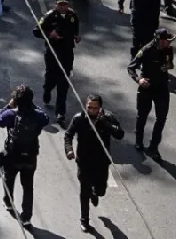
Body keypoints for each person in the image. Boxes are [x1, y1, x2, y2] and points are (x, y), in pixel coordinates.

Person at [64, 94, 125, 232]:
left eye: (95, 108)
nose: (91, 110)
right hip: (84, 162)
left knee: (101, 191)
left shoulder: (108, 117)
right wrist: (69, 150)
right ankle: (84, 220)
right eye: (89, 107)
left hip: (101, 162)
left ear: (100, 108)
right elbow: (68, 134)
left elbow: (119, 134)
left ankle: (95, 191)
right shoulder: (79, 118)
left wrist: (105, 123)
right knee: (83, 191)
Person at [0, 85, 50, 230]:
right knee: (28, 186)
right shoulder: (38, 115)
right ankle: (26, 217)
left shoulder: (11, 114)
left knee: (8, 178)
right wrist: (33, 105)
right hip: (30, 157)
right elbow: (46, 118)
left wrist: (8, 105)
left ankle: (8, 201)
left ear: (16, 100)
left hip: (12, 155)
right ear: (31, 100)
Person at [128, 27, 174, 162]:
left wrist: (169, 65)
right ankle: (138, 141)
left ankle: (153, 147)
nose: (166, 43)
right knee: (142, 116)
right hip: (147, 87)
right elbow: (131, 67)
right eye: (163, 41)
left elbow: (170, 64)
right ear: (157, 40)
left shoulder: (168, 49)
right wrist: (138, 79)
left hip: (162, 88)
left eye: (167, 41)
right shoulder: (146, 50)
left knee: (161, 119)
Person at [34, 0, 80, 126]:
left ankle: (61, 112)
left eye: (65, 4)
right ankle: (47, 89)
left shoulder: (72, 16)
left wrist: (76, 36)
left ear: (68, 4)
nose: (62, 7)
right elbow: (36, 31)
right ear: (56, 4)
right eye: (60, 4)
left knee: (64, 82)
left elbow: (75, 29)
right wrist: (50, 34)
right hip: (52, 52)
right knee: (51, 77)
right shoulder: (50, 16)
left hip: (67, 52)